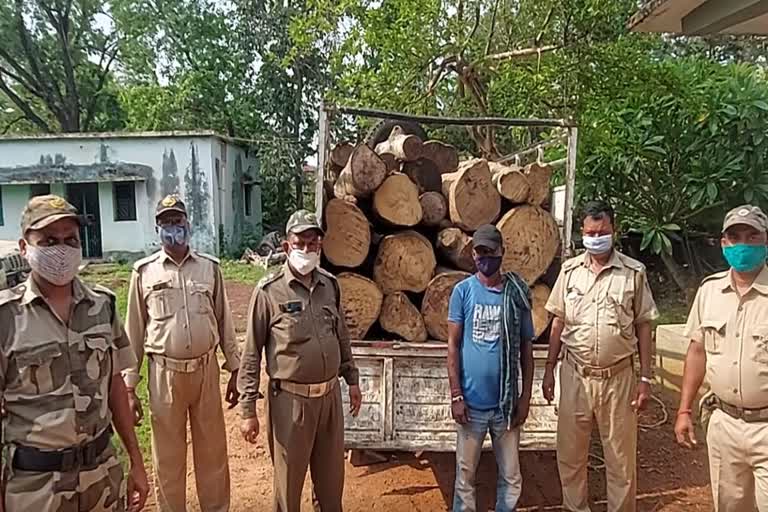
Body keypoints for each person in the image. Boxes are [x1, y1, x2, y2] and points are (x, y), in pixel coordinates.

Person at [0, 194, 148, 511]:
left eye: (70, 240)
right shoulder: (6, 318)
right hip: (36, 487)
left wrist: (136, 461)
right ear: (25, 248)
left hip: (101, 476)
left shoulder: (102, 305)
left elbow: (114, 387)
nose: (61, 250)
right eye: (49, 241)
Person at [123, 194, 240, 512]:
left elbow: (224, 319)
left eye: (178, 221)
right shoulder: (144, 273)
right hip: (164, 374)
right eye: (166, 222)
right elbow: (133, 331)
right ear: (157, 228)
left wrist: (235, 369)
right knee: (168, 457)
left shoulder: (209, 268)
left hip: (205, 371)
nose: (173, 227)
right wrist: (129, 386)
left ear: (188, 223)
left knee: (213, 454)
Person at [239, 209, 362, 512]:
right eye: (301, 242)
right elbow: (252, 352)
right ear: (286, 246)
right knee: (288, 489)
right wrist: (247, 409)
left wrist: (353, 378)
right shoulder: (268, 292)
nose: (307, 249)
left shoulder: (330, 285)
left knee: (331, 488)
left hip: (329, 400)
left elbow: (341, 336)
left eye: (314, 243)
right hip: (290, 404)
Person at [542, 200, 658, 512]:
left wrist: (645, 378)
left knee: (620, 458)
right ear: (582, 232)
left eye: (603, 231)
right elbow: (558, 321)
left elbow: (644, 325)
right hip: (575, 375)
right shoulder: (569, 272)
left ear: (614, 231)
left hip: (618, 378)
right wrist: (549, 368)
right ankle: (575, 508)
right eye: (591, 232)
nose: (597, 237)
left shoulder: (633, 273)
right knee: (570, 456)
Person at [675, 205, 768, 512]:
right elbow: (697, 352)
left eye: (752, 236)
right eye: (735, 237)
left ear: (765, 240)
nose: (743, 244)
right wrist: (684, 409)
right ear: (723, 243)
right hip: (724, 425)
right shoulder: (710, 292)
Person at [447, 224, 535, 512]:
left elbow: (526, 349)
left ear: (502, 253)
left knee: (511, 476)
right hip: (471, 405)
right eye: (480, 252)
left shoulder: (516, 295)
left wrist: (524, 398)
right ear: (473, 254)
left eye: (491, 252)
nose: (485, 258)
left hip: (505, 406)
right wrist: (456, 395)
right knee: (465, 476)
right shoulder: (462, 292)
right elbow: (453, 346)